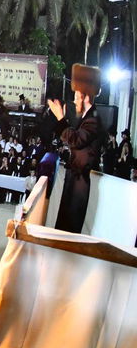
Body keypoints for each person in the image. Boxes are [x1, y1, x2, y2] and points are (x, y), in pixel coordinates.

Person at [43, 63, 107, 233]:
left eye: (77, 96)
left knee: (69, 228)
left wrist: (60, 118)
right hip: (74, 178)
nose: (74, 100)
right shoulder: (86, 118)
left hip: (80, 184)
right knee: (64, 226)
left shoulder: (93, 120)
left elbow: (76, 140)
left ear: (86, 97)